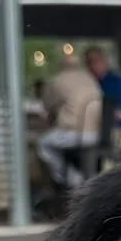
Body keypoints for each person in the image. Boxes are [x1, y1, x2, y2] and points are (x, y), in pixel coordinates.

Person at [36, 53, 103, 194]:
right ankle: (83, 180)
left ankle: (72, 180)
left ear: (61, 66)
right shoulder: (90, 79)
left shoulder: (57, 80)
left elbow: (46, 105)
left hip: (74, 134)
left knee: (43, 144)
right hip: (97, 134)